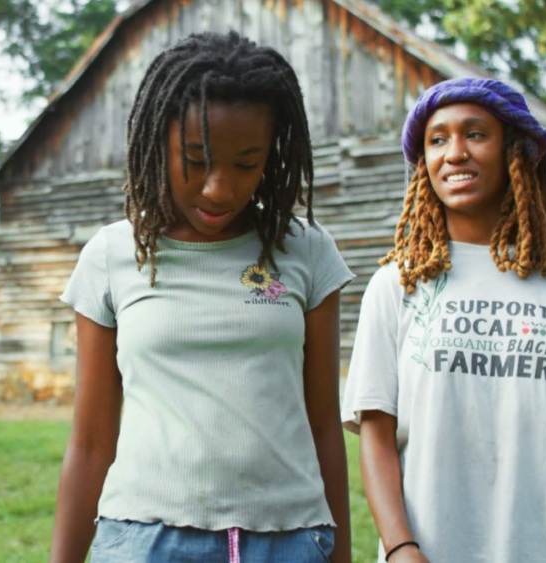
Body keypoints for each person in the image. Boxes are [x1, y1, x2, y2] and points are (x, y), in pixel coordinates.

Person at [50, 31, 354, 563]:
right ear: (157, 141)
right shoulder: (112, 254)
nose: (219, 188)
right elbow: (90, 442)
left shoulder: (305, 251)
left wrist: (341, 553)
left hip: (289, 540)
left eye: (246, 164)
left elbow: (325, 425)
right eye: (195, 158)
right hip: (145, 539)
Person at [342, 77, 546, 563]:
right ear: (424, 165)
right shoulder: (399, 282)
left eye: (475, 134)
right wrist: (399, 547)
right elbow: (376, 432)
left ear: (514, 153)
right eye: (438, 139)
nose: (454, 152)